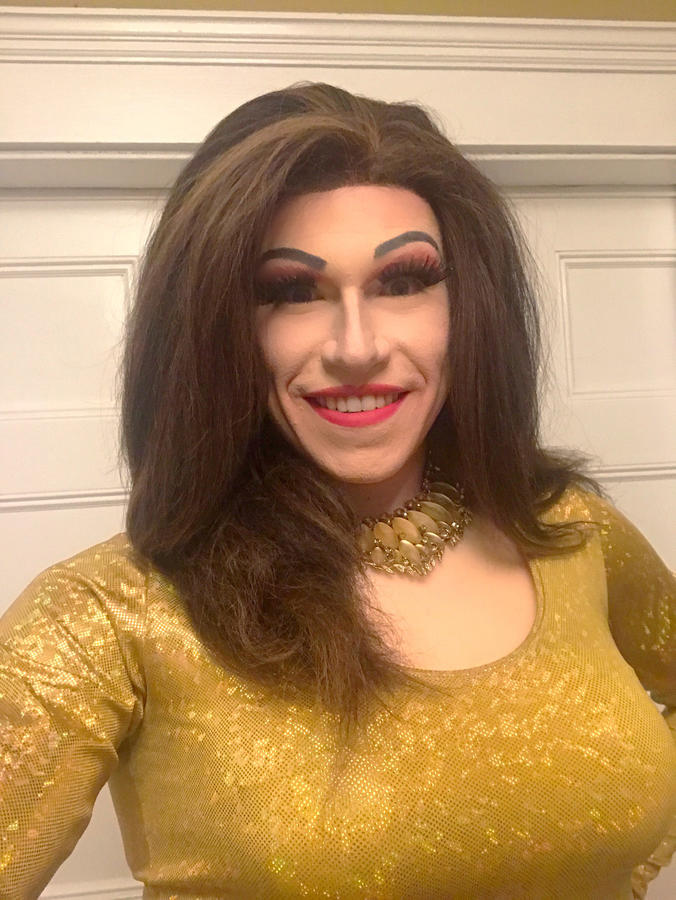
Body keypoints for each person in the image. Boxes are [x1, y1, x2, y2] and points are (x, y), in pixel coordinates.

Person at [0, 82, 673, 900]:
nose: (357, 348)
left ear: (469, 309)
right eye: (291, 291)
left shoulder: (571, 532)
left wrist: (622, 868)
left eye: (403, 281)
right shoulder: (107, 615)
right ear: (213, 330)